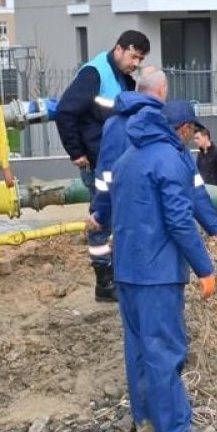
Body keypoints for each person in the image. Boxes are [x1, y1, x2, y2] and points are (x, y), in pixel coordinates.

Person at [110, 99, 217, 432]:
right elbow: (179, 221)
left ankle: (145, 420)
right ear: (184, 129)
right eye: (192, 131)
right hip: (157, 273)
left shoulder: (128, 157)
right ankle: (175, 427)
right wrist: (204, 268)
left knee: (139, 349)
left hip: (126, 271)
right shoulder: (170, 159)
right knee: (165, 348)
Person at [55, 29, 150, 302]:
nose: (135, 63)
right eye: (134, 57)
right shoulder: (95, 74)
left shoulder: (124, 78)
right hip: (97, 163)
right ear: (119, 49)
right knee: (100, 220)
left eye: (140, 60)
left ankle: (118, 278)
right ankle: (104, 283)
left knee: (118, 219)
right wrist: (76, 153)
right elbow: (65, 111)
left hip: (115, 162)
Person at [89, 68, 217, 247]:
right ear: (162, 89)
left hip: (124, 223)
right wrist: (216, 226)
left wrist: (100, 213)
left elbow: (105, 178)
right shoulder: (166, 123)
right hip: (158, 228)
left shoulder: (113, 124)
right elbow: (191, 185)